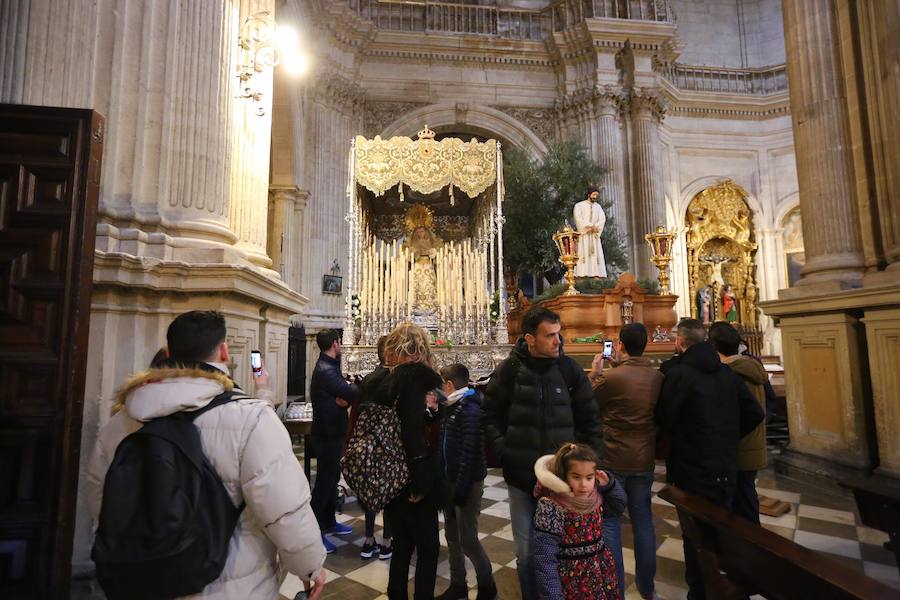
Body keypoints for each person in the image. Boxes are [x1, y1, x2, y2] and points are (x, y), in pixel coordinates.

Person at [86, 310, 327, 599]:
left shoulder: (119, 423)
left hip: (140, 581)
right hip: (227, 585)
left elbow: (101, 498)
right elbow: (284, 509)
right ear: (224, 351)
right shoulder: (251, 420)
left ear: (168, 352)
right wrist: (310, 566)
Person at [482, 306, 603, 600]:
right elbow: (489, 415)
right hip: (522, 477)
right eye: (549, 336)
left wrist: (587, 466)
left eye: (558, 335)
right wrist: (505, 450)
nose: (557, 342)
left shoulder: (568, 370)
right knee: (527, 552)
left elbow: (590, 419)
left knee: (564, 549)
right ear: (530, 338)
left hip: (563, 482)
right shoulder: (510, 370)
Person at [655, 318, 764, 600]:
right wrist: (726, 439)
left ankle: (701, 594)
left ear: (680, 342)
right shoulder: (727, 373)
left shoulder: (680, 376)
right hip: (725, 468)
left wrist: (691, 438)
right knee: (721, 533)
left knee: (696, 541)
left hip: (691, 470)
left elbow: (665, 420)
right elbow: (755, 413)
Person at [589, 323, 663, 600]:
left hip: (614, 457)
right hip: (643, 457)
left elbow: (589, 403)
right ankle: (648, 588)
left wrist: (595, 375)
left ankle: (615, 590)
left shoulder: (612, 377)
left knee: (610, 522)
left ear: (620, 345)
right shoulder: (657, 378)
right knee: (643, 521)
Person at [378, 323, 444, 600]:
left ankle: (396, 595)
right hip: (415, 478)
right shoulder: (422, 380)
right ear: (420, 349)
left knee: (402, 544)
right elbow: (414, 432)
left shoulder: (385, 381)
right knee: (428, 549)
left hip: (391, 475)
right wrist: (420, 484)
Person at [532, 443, 626, 600]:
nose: (584, 484)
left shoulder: (596, 496)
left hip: (601, 573)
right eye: (576, 477)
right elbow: (544, 556)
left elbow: (618, 507)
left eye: (589, 477)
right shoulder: (552, 505)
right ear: (564, 476)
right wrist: (553, 595)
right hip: (571, 580)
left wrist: (609, 485)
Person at [435, 363, 497, 600]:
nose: (440, 390)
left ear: (449, 385)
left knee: (468, 540)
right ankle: (458, 584)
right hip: (451, 482)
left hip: (466, 485)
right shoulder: (452, 406)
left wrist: (459, 490)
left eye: (442, 385)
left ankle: (487, 586)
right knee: (451, 536)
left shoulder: (469, 409)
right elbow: (445, 443)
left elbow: (469, 454)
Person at [709, 323, 768, 524]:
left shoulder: (728, 374)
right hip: (754, 445)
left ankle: (747, 549)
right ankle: (751, 545)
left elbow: (746, 414)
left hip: (737, 448)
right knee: (747, 497)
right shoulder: (754, 368)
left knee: (738, 506)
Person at [310, 328, 359, 553]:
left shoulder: (329, 366)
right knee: (324, 484)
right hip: (327, 433)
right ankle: (315, 534)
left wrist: (345, 400)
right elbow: (352, 393)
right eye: (340, 341)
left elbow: (345, 397)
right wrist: (348, 395)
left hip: (332, 432)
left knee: (332, 480)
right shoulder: (326, 370)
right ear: (335, 344)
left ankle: (329, 522)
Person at [350, 335, 393, 560]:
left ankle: (368, 540)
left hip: (367, 443)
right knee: (389, 493)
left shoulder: (367, 379)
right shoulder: (394, 379)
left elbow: (358, 413)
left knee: (370, 493)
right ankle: (387, 542)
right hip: (388, 444)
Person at [573, 187, 608, 278]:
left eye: (597, 195)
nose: (595, 197)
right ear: (589, 195)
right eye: (594, 195)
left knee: (595, 256)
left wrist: (596, 227)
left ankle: (596, 275)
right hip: (584, 235)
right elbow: (578, 218)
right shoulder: (579, 205)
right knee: (583, 254)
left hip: (594, 236)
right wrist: (590, 226)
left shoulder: (598, 207)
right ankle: (582, 275)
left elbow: (602, 219)